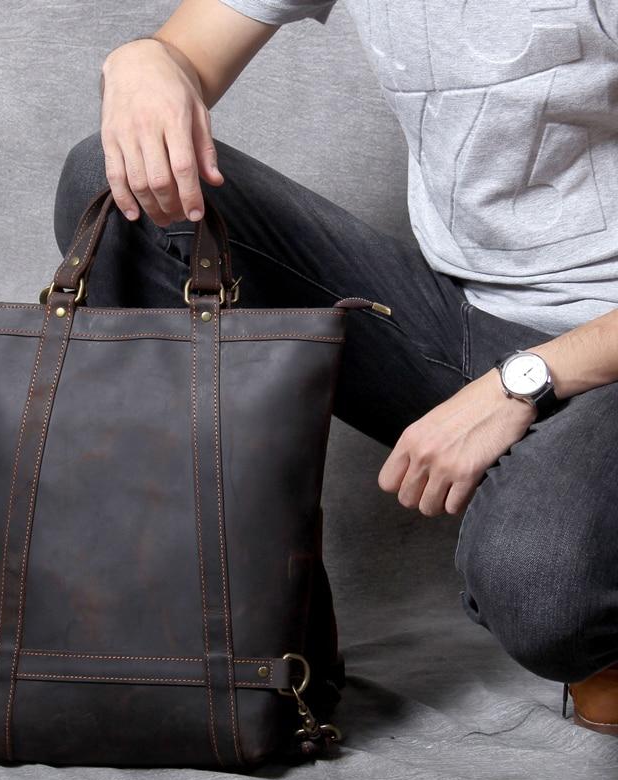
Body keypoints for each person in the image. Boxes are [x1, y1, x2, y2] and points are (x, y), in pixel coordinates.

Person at [53, 0, 618, 735]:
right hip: (463, 328)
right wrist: (142, 62)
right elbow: (185, 50)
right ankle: (243, 626)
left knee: (541, 590)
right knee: (112, 184)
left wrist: (529, 376)